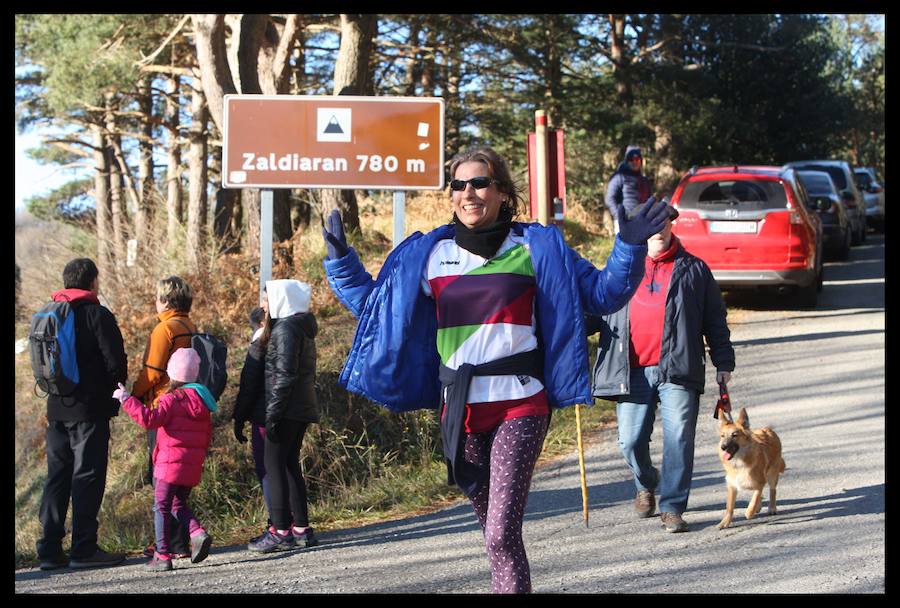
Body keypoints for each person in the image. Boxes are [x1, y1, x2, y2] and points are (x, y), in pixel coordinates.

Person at [320, 146, 669, 593]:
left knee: (502, 532)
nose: (469, 192)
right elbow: (376, 311)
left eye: (480, 182)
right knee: (493, 535)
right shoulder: (429, 255)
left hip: (520, 404)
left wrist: (630, 244)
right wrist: (340, 262)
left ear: (503, 192)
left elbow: (604, 294)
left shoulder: (537, 246)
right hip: (459, 411)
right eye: (459, 185)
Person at [588, 200, 735, 533]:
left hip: (679, 368)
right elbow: (595, 308)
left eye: (663, 222)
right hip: (631, 369)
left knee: (679, 437)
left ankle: (672, 507)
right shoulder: (621, 266)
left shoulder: (694, 269)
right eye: (648, 223)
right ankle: (646, 481)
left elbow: (714, 319)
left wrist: (723, 361)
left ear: (672, 225)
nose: (657, 228)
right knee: (629, 440)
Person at [36, 258, 128, 570]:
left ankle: (49, 550)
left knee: (57, 477)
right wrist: (113, 396)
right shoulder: (96, 314)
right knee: (87, 476)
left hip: (56, 408)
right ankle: (84, 548)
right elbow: (115, 361)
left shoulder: (50, 314)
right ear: (92, 282)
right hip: (89, 410)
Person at [114, 348, 216, 570]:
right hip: (190, 465)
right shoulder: (202, 402)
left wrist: (126, 399)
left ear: (172, 373)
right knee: (178, 503)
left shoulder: (171, 399)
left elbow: (149, 419)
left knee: (161, 506)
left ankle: (162, 555)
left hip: (169, 464)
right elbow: (207, 435)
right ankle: (196, 532)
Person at [247, 280, 321, 553]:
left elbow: (284, 376)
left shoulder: (286, 329)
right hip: (299, 408)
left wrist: (273, 414)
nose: (263, 306)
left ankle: (280, 530)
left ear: (281, 301)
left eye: (267, 300)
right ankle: (301, 528)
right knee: (289, 464)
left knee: (273, 464)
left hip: (286, 408)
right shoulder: (300, 326)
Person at [131, 276, 197, 558]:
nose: (155, 303)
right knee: (179, 481)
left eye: (158, 298)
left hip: (162, 406)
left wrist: (132, 395)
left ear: (166, 301)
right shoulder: (188, 326)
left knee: (162, 478)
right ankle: (181, 542)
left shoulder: (165, 329)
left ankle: (165, 544)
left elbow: (152, 373)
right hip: (188, 405)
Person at [233, 299, 273, 542]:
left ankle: (277, 523)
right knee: (285, 469)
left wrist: (239, 418)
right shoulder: (294, 334)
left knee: (267, 471)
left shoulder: (260, 343)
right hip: (287, 414)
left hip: (264, 415)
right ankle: (293, 522)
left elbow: (249, 385)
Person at [605, 145, 653, 235]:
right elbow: (609, 198)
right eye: (631, 159)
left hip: (642, 223)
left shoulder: (644, 180)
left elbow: (649, 201)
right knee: (624, 248)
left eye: (637, 159)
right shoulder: (619, 177)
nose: (635, 162)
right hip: (624, 222)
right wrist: (618, 216)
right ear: (627, 161)